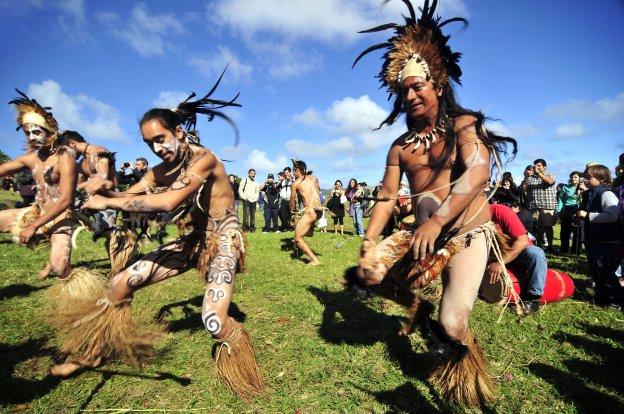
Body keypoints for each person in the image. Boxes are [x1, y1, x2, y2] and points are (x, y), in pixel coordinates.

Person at [49, 75, 264, 398]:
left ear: (179, 132)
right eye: (150, 144)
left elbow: (167, 201)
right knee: (120, 282)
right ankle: (95, 353)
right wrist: (90, 193)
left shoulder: (203, 160)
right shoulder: (160, 170)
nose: (157, 148)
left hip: (222, 242)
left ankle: (243, 365)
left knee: (214, 322)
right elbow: (129, 195)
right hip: (192, 243)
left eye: (161, 139)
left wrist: (107, 200)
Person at [351, 1, 517, 405]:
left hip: (464, 235)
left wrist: (436, 222)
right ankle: (423, 316)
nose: (409, 95)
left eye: (417, 86)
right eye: (403, 89)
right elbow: (387, 197)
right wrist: (371, 239)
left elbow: (478, 174)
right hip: (422, 239)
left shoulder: (463, 126)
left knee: (452, 323)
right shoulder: (401, 147)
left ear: (438, 87)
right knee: (366, 276)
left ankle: (465, 373)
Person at [0, 89, 79, 279]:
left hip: (61, 216)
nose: (32, 137)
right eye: (28, 133)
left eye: (37, 132)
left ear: (50, 132)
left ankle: (73, 283)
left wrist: (34, 226)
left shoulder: (65, 158)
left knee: (60, 269)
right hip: (36, 211)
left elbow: (66, 200)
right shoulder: (30, 158)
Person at [488, 204, 547, 315]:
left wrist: (500, 262)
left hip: (517, 251)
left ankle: (532, 299)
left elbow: (522, 241)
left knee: (537, 254)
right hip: (494, 255)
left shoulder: (500, 211)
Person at [577, 164, 623, 308]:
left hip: (606, 241)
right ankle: (601, 297)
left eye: (589, 177)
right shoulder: (591, 192)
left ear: (601, 178)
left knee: (605, 271)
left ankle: (615, 300)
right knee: (596, 270)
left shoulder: (606, 194)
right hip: (594, 239)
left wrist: (589, 216)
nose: (586, 180)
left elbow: (612, 215)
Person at [290, 160, 322, 265]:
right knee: (306, 232)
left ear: (297, 170)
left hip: (310, 211)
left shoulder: (295, 184)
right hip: (319, 210)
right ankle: (310, 230)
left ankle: (314, 260)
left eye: (293, 171)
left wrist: (292, 214)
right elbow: (318, 191)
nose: (292, 173)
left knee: (297, 238)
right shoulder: (314, 178)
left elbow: (292, 202)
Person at [521, 159, 557, 253]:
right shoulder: (530, 177)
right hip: (533, 206)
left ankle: (550, 245)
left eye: (539, 165)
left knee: (548, 227)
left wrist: (538, 173)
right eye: (535, 165)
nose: (536, 167)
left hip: (547, 205)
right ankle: (538, 245)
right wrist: (526, 176)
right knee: (536, 227)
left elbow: (549, 182)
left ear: (544, 167)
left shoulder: (550, 174)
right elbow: (523, 189)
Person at [556, 171, 582, 254]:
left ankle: (576, 250)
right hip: (567, 209)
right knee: (565, 231)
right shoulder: (565, 187)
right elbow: (561, 199)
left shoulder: (583, 187)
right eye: (572, 177)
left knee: (577, 231)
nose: (573, 179)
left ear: (579, 178)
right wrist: (559, 210)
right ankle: (564, 249)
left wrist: (581, 193)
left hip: (578, 210)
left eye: (575, 177)